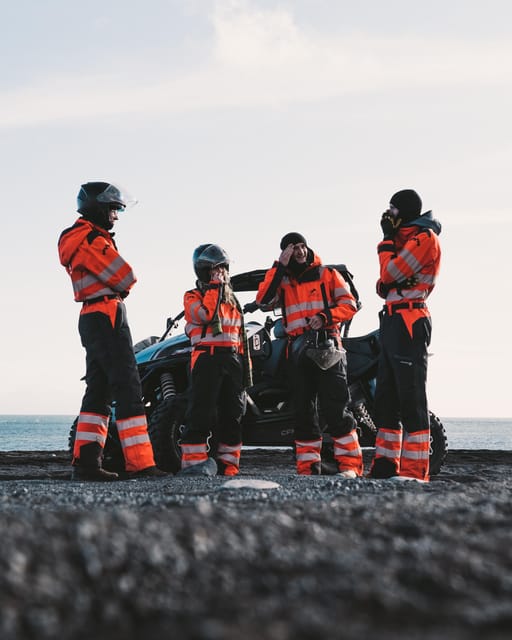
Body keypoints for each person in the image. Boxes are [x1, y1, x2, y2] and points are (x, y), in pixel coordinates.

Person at [58, 181, 166, 481]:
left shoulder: (83, 239)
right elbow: (126, 276)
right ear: (97, 208)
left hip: (94, 315)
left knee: (99, 391)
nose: (116, 216)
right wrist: (119, 283)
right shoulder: (90, 240)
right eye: (112, 209)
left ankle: (87, 464)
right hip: (106, 314)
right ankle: (141, 464)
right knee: (128, 387)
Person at [256, 232, 361, 477]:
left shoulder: (328, 274)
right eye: (294, 248)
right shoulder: (282, 280)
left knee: (336, 410)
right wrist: (278, 267)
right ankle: (308, 469)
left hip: (328, 348)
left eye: (302, 246)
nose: (300, 252)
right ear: (286, 253)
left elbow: (350, 304)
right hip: (298, 352)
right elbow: (262, 300)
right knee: (303, 413)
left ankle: (351, 468)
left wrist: (324, 317)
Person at [368, 189, 442, 482]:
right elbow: (384, 284)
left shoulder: (424, 239)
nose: (388, 215)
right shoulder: (406, 240)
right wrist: (390, 275)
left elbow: (388, 275)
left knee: (411, 394)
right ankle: (386, 466)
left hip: (411, 319)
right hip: (392, 319)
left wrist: (386, 242)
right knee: (386, 395)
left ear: (405, 211)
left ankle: (414, 471)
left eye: (392, 209)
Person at [179, 244, 251, 476]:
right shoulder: (192, 296)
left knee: (232, 415)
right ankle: (193, 464)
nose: (221, 273)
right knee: (201, 413)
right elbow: (206, 315)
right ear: (204, 271)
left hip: (232, 361)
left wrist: (245, 368)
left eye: (223, 268)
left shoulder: (232, 301)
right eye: (215, 269)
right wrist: (214, 288)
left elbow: (239, 335)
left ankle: (228, 466)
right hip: (206, 360)